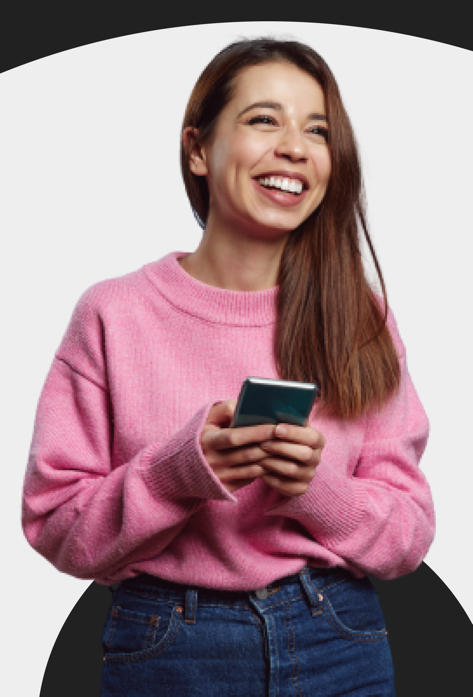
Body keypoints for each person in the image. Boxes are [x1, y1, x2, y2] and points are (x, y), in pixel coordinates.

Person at [22, 37, 435, 697]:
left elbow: (408, 535)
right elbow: (55, 526)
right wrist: (178, 473)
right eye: (264, 119)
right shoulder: (113, 314)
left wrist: (317, 489)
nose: (295, 147)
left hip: (338, 639)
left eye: (317, 130)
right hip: (167, 647)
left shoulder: (361, 318)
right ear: (197, 150)